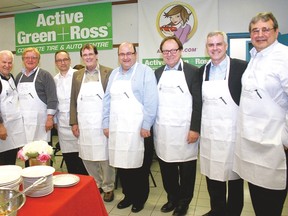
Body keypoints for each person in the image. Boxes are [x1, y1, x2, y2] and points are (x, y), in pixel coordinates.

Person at [233, 12, 288, 216]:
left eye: (266, 29)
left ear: (276, 32)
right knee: (257, 198)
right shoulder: (255, 57)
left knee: (271, 204)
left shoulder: (284, 57)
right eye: (255, 30)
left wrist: (285, 139)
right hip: (254, 143)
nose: (260, 34)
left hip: (275, 145)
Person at [102, 42, 158, 213]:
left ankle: (140, 198)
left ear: (135, 54)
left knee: (139, 166)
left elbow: (151, 101)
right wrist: (106, 123)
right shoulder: (114, 74)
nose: (126, 57)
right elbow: (107, 100)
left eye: (129, 53)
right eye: (122, 54)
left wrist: (146, 124)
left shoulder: (145, 72)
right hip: (118, 128)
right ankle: (128, 195)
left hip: (139, 129)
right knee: (122, 164)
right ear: (118, 56)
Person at [199, 31, 248, 216]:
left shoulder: (241, 67)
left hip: (232, 134)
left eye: (219, 44)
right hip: (210, 134)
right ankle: (217, 210)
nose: (215, 48)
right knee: (213, 176)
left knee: (235, 178)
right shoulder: (202, 71)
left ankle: (234, 212)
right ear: (207, 48)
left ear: (225, 46)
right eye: (211, 45)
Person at [154, 36, 201, 216]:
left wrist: (195, 129)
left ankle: (184, 202)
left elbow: (198, 104)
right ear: (162, 54)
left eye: (174, 50)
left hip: (185, 131)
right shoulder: (157, 73)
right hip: (163, 131)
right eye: (166, 51)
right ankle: (172, 198)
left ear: (181, 51)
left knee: (187, 171)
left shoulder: (192, 72)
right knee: (167, 169)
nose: (170, 54)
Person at [70, 44, 115, 202]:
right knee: (87, 156)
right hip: (84, 123)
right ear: (81, 57)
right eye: (85, 54)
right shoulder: (77, 76)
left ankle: (108, 186)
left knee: (105, 157)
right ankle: (96, 183)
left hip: (102, 123)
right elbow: (73, 101)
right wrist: (74, 122)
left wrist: (109, 123)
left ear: (96, 55)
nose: (88, 57)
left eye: (90, 54)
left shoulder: (107, 73)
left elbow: (112, 101)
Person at [54, 50, 88, 175]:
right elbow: (55, 103)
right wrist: (55, 121)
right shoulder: (54, 80)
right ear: (56, 63)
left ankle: (86, 186)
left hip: (78, 124)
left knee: (83, 158)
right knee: (70, 159)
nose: (62, 63)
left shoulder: (78, 75)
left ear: (70, 60)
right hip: (62, 126)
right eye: (59, 60)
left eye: (65, 59)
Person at [15, 47, 58, 144]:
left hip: (41, 123)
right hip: (23, 123)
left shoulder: (45, 75)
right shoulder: (19, 77)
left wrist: (50, 118)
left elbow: (52, 98)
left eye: (34, 57)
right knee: (26, 152)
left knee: (42, 153)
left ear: (38, 60)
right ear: (23, 60)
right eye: (27, 58)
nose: (30, 60)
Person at [0, 50, 27, 165]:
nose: (7, 65)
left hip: (13, 129)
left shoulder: (11, 77)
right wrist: (0, 126)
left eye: (10, 62)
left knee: (10, 162)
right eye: (4, 62)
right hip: (2, 128)